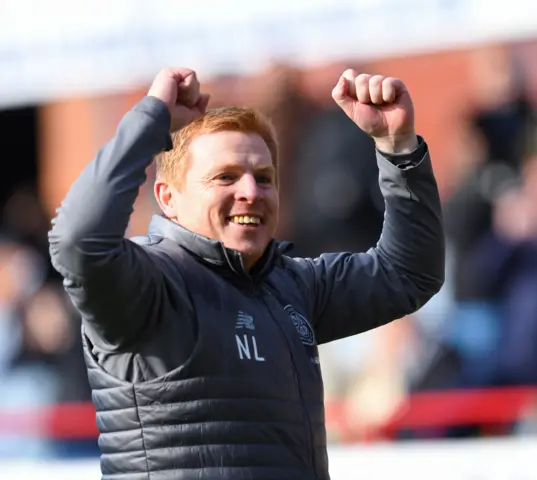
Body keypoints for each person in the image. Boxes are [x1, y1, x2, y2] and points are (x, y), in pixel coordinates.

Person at [49, 67, 445, 479]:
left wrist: (399, 149)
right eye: (226, 177)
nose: (251, 192)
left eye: (264, 178)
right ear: (168, 197)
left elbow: (409, 273)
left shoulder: (294, 286)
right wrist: (150, 122)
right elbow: (78, 240)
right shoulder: (147, 284)